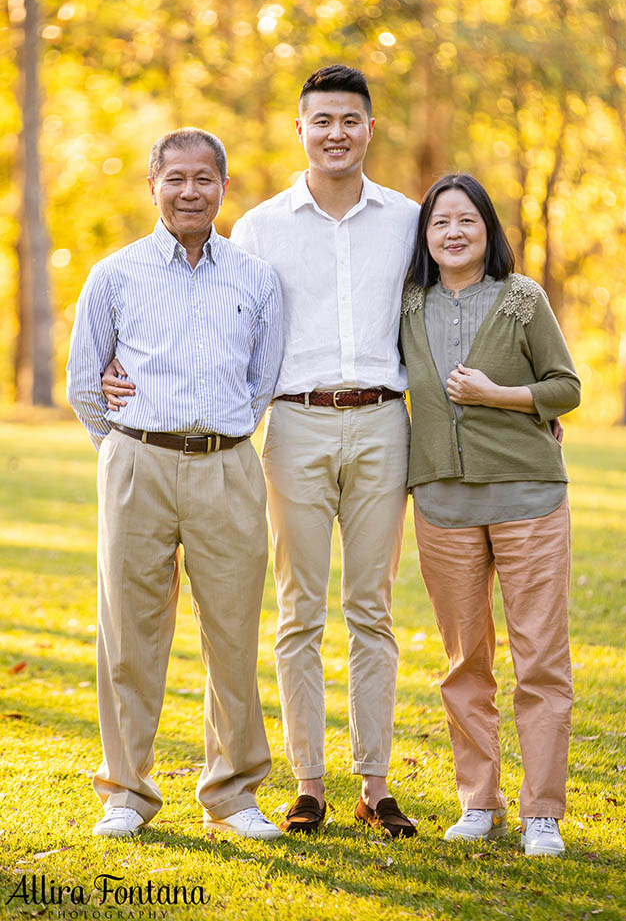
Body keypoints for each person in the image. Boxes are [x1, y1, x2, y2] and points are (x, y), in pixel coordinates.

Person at [102, 66, 419, 838]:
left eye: (350, 119)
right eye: (322, 120)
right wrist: (126, 403)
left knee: (364, 610)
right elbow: (210, 342)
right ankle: (303, 785)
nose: (336, 132)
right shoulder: (261, 228)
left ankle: (370, 785)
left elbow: (447, 311)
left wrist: (523, 404)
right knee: (291, 611)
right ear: (301, 130)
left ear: (368, 129)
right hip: (289, 428)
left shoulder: (410, 220)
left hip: (376, 421)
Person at [66, 128, 284, 841]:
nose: (190, 191)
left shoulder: (256, 279)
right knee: (128, 633)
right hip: (136, 463)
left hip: (227, 465)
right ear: (153, 187)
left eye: (204, 179)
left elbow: (261, 384)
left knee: (232, 633)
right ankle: (126, 791)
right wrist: (132, 447)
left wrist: (214, 437)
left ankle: (232, 792)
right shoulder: (115, 274)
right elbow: (84, 385)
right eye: (175, 179)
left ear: (224, 187)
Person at [400, 172, 580, 856]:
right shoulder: (409, 304)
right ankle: (478, 801)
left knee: (538, 659)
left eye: (466, 221)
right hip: (442, 502)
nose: (453, 232)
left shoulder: (520, 298)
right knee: (463, 661)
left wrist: (495, 393)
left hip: (527, 497)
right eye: (440, 222)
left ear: (486, 231)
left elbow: (565, 387)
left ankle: (541, 812)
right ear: (425, 236)